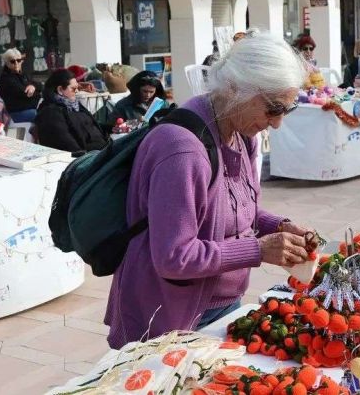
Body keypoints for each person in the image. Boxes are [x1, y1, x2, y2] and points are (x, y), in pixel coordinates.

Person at [104, 33, 316, 348]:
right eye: (273, 108)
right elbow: (175, 256)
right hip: (168, 318)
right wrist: (259, 250)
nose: (277, 123)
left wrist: (279, 227)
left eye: (288, 109)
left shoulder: (243, 134)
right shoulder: (181, 150)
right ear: (235, 89)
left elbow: (232, 208)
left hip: (220, 305)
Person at [34, 69, 108, 156]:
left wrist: (113, 127)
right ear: (60, 90)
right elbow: (68, 145)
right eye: (74, 89)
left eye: (78, 88)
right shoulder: (51, 113)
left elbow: (90, 125)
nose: (77, 91)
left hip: (101, 151)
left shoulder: (73, 104)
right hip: (88, 159)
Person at [0, 49, 41, 123]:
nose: (16, 63)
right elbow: (26, 94)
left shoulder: (22, 74)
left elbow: (39, 85)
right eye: (12, 61)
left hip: (28, 108)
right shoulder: (6, 79)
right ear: (7, 63)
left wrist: (33, 87)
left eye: (18, 60)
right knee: (44, 114)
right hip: (16, 113)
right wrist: (36, 92)